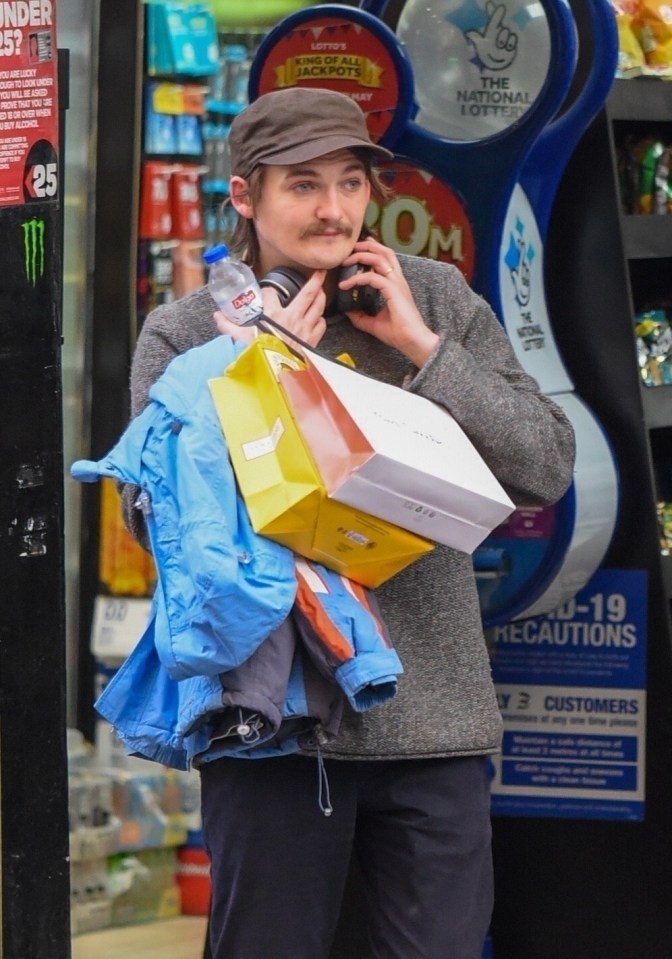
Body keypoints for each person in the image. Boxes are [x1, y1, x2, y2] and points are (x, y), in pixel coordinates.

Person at [122, 87, 576, 959]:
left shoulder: (433, 297)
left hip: (432, 721)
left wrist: (425, 350)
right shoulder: (184, 335)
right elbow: (158, 525)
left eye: (353, 183)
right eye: (302, 185)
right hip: (274, 732)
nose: (334, 209)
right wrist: (253, 372)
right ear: (245, 199)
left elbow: (545, 466)